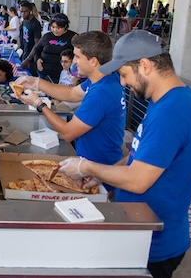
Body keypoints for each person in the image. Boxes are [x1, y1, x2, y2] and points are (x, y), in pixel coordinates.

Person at [58, 29, 191, 278]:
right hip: (141, 231)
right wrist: (107, 175)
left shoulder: (170, 113)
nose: (124, 84)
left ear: (146, 66)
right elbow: (138, 154)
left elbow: (139, 179)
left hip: (154, 243)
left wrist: (87, 167)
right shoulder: (170, 100)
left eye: (125, 75)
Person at [16, 30, 126, 172]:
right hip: (92, 164)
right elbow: (72, 93)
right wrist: (37, 83)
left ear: (93, 61)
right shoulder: (104, 79)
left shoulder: (101, 93)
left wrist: (39, 104)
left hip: (99, 170)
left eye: (78, 57)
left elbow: (68, 133)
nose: (74, 61)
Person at [34, 13, 77, 83]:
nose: (55, 30)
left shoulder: (73, 37)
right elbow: (37, 49)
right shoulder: (47, 36)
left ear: (65, 26)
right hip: (44, 73)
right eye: (53, 27)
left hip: (63, 75)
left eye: (58, 28)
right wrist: (37, 60)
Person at [19, 1, 42, 75]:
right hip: (25, 53)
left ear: (30, 11)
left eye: (25, 11)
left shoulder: (35, 24)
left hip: (31, 58)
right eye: (21, 11)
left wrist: (29, 59)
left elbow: (37, 44)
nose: (23, 14)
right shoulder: (24, 21)